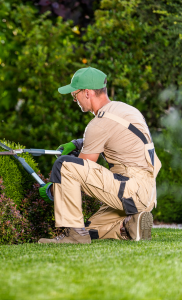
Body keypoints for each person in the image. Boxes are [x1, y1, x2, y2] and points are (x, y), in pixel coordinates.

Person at [38, 67, 161, 244]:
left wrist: (52, 189)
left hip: (131, 191)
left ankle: (74, 236)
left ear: (87, 93)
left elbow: (81, 171)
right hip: (146, 193)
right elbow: (117, 138)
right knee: (89, 229)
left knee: (64, 165)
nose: (74, 99)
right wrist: (79, 143)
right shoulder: (124, 110)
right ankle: (129, 225)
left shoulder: (99, 124)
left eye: (75, 94)